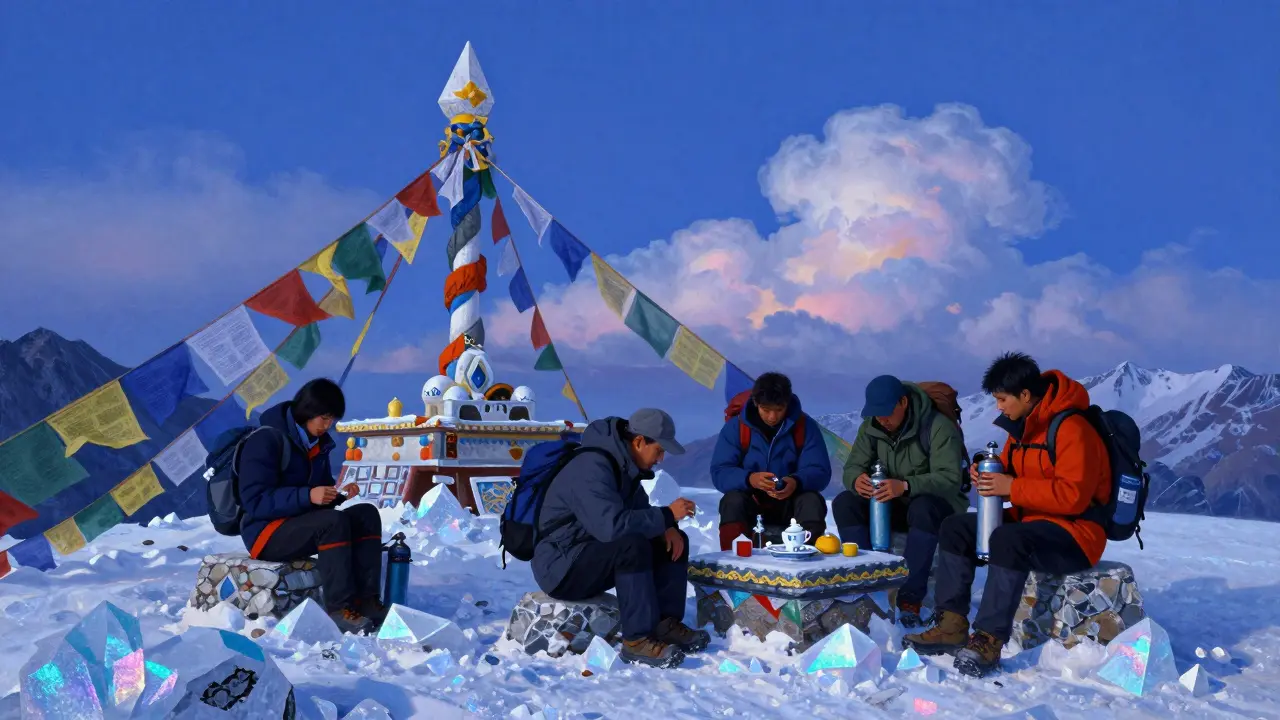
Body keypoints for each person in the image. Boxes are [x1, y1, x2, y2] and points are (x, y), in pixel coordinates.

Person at [903, 352, 1110, 678]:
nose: (998, 407)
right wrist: (985, 473)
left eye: (1002, 399)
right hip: (1033, 522)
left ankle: (988, 639)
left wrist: (1010, 487)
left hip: (1076, 534)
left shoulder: (1073, 428)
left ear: (1025, 395)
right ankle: (951, 624)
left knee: (1007, 538)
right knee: (956, 527)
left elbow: (1073, 497)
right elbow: (1010, 472)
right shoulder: (1022, 429)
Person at [531, 408, 710, 669]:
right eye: (659, 450)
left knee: (672, 539)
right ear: (639, 442)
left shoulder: (624, 466)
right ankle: (636, 640)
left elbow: (640, 513)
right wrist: (666, 515)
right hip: (560, 566)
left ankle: (664, 624)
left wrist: (665, 525)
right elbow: (611, 528)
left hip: (588, 553)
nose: (661, 459)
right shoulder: (591, 467)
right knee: (631, 544)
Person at [238, 378, 385, 634]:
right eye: (324, 418)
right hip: (265, 532)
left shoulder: (318, 445)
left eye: (332, 420)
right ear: (307, 411)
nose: (328, 426)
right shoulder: (266, 440)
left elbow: (318, 495)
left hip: (298, 523)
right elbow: (254, 501)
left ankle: (367, 601)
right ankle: (339, 610)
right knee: (333, 523)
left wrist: (337, 496)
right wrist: (308, 496)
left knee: (365, 514)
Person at [832, 375, 969, 627]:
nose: (882, 419)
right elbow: (853, 466)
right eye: (876, 414)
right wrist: (856, 480)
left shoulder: (938, 427)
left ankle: (910, 598)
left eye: (886, 413)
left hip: (937, 505)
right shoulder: (872, 427)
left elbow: (950, 478)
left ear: (903, 402)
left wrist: (906, 486)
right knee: (845, 503)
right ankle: (865, 582)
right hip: (890, 499)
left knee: (923, 508)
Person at [711, 372, 831, 550]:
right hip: (752, 502)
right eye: (766, 410)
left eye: (779, 410)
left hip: (791, 503)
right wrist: (750, 479)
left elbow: (819, 470)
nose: (772, 417)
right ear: (755, 403)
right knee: (732, 501)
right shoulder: (736, 428)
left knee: (812, 501)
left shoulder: (805, 427)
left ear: (787, 404)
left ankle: (807, 558)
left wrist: (795, 481)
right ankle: (734, 560)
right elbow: (720, 471)